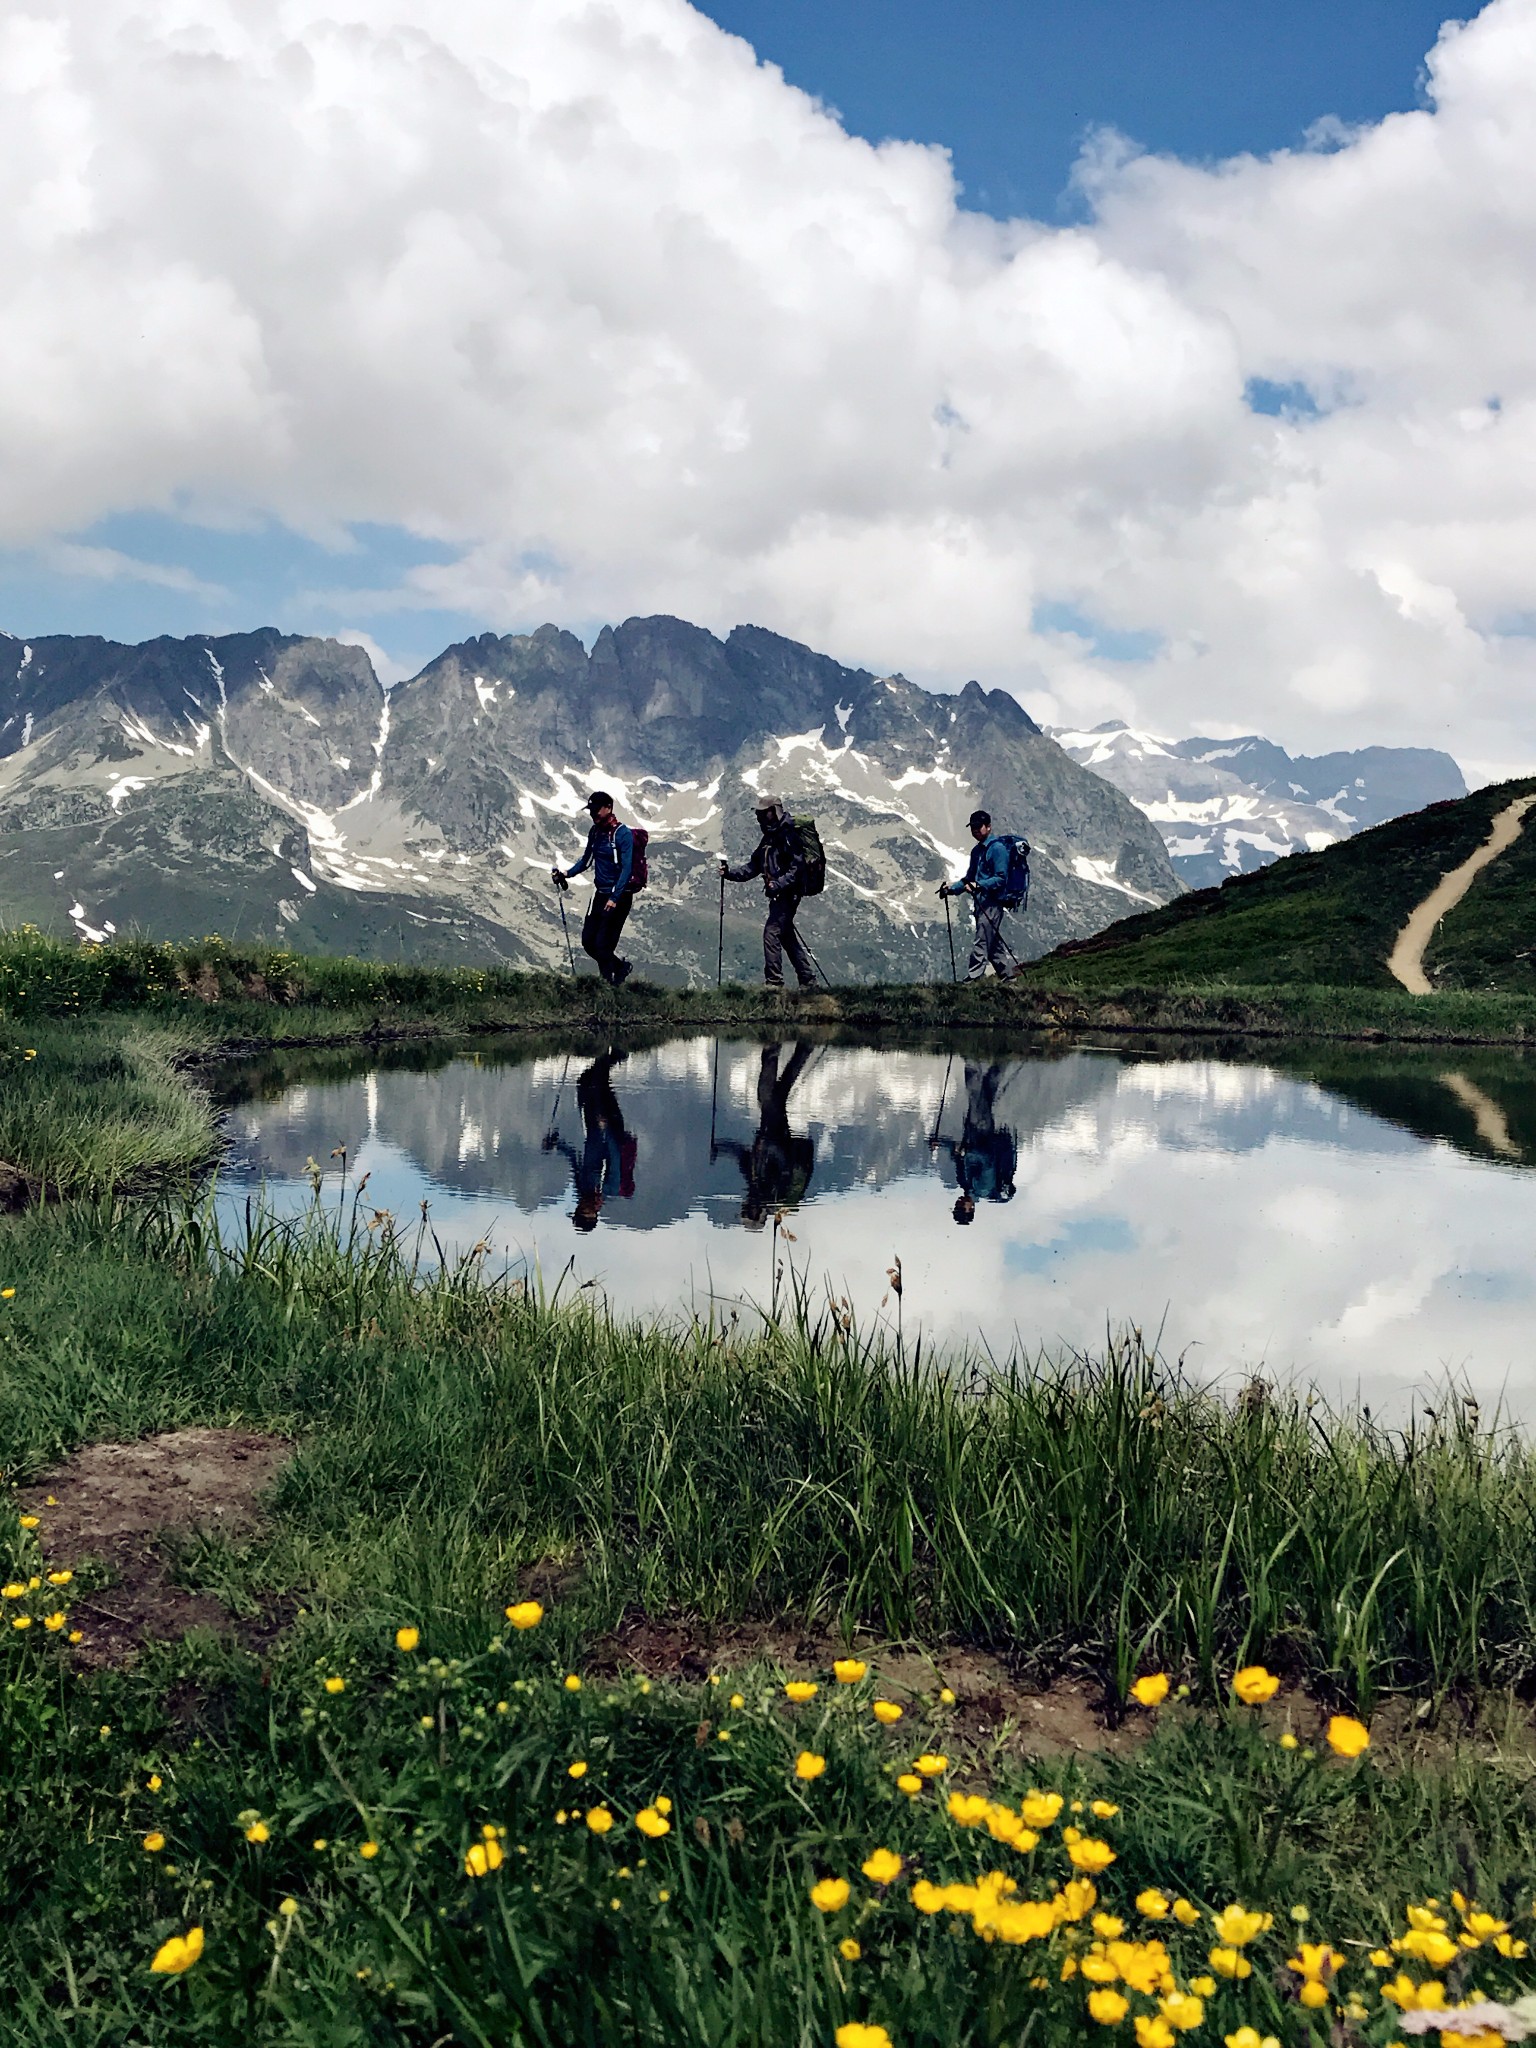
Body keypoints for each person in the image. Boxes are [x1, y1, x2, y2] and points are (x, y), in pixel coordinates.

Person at [712, 1040, 816, 1229]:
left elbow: (742, 1157)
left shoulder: (755, 1186)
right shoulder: (772, 1191)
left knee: (779, 1094)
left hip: (770, 1131)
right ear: (761, 1214)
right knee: (766, 1097)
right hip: (777, 1134)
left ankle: (805, 1048)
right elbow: (784, 1162)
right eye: (751, 1213)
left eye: (746, 1211)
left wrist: (721, 1148)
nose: (748, 1207)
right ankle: (772, 1049)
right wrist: (767, 1145)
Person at [721, 795, 816, 988]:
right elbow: (753, 867)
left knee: (771, 933)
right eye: (759, 814)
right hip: (780, 894)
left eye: (764, 813)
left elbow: (797, 868)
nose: (760, 818)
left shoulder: (788, 835)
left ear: (775, 811)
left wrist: (778, 884)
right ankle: (808, 981)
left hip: (788, 894)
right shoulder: (770, 838)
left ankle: (774, 983)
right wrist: (729, 873)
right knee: (787, 936)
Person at [542, 1049, 636, 1231]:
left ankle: (613, 1054)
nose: (581, 1206)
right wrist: (606, 1129)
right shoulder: (609, 1189)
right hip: (611, 1126)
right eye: (583, 1211)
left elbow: (575, 1159)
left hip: (592, 1125)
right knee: (595, 1083)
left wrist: (556, 1144)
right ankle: (614, 1052)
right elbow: (615, 1155)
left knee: (585, 1082)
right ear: (594, 1213)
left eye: (578, 1209)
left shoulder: (582, 1188)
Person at [554, 791, 635, 986]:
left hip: (619, 897)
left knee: (603, 944)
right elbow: (586, 860)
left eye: (596, 810)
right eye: (591, 811)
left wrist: (614, 897)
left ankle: (606, 986)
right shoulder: (595, 832)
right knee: (589, 942)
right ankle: (620, 968)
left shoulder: (623, 834)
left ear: (608, 808)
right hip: (600, 894)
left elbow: (626, 868)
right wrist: (567, 874)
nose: (593, 814)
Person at [939, 809, 1020, 981]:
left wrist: (979, 885)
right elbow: (969, 878)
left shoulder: (997, 849)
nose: (975, 831)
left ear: (988, 827)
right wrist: (952, 889)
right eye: (972, 827)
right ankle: (1009, 979)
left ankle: (973, 977)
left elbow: (1001, 878)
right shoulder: (977, 851)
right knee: (993, 945)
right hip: (981, 903)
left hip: (993, 903)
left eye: (978, 827)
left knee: (982, 940)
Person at [934, 1061, 1017, 1225]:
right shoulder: (983, 1188)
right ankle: (971, 1058)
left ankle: (1004, 1057)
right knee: (975, 1093)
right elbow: (987, 1161)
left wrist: (941, 1143)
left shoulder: (964, 1183)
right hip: (982, 1131)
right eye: (960, 1207)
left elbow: (958, 1154)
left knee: (988, 1090)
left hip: (974, 1131)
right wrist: (967, 1152)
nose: (957, 1203)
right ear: (971, 1208)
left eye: (955, 1206)